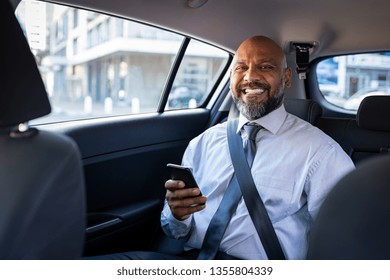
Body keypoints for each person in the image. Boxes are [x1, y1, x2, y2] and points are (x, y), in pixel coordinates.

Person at [87, 35, 355, 260]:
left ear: (286, 78)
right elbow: (175, 231)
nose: (251, 76)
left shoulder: (320, 152)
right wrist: (179, 215)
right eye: (241, 67)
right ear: (231, 76)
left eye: (265, 67)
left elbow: (344, 241)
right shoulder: (203, 143)